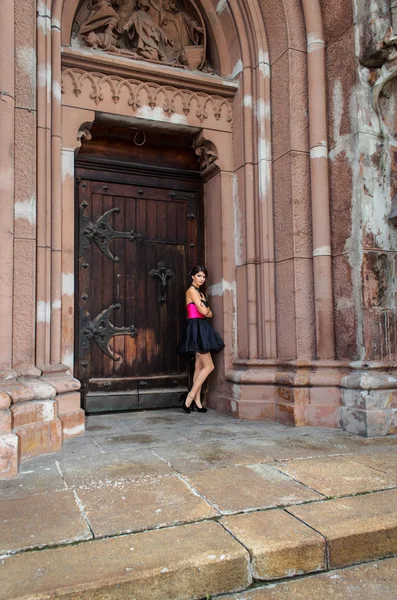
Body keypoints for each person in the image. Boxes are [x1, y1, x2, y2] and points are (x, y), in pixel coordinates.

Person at [177, 266, 224, 413]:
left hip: (201, 327)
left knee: (198, 366)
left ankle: (197, 402)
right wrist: (206, 311)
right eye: (199, 276)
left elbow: (209, 314)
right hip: (196, 327)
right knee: (209, 366)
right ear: (192, 276)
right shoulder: (191, 291)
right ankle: (189, 398)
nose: (202, 279)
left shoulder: (200, 293)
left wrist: (206, 311)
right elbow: (205, 311)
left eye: (203, 277)